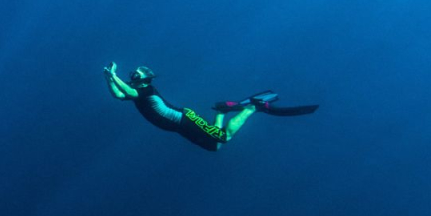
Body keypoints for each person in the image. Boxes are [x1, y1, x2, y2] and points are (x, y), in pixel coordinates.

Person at [103, 63, 317, 151]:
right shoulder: (138, 94)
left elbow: (129, 92)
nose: (132, 77)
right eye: (132, 74)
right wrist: (108, 78)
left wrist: (114, 75)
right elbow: (119, 95)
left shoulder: (146, 91)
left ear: (146, 79)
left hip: (184, 119)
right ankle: (222, 113)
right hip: (179, 127)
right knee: (215, 147)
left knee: (223, 138)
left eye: (136, 75)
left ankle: (252, 109)